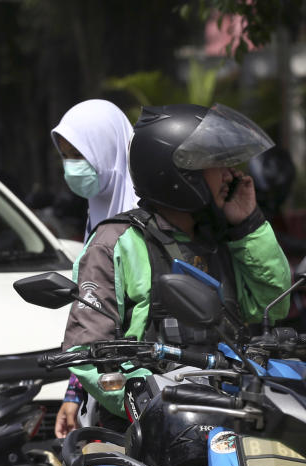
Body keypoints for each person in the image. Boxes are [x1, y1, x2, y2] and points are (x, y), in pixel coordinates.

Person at [62, 103, 291, 420]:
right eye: (216, 164)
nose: (231, 174)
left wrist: (248, 225)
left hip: (233, 412)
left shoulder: (225, 239)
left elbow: (273, 305)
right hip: (148, 428)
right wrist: (147, 402)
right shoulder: (117, 242)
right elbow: (87, 350)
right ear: (179, 174)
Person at [49, 99, 140, 437]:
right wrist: (74, 394)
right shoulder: (99, 213)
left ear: (106, 150)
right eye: (66, 156)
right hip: (111, 390)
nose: (72, 167)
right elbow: (94, 320)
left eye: (79, 155)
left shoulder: (143, 222)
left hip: (142, 392)